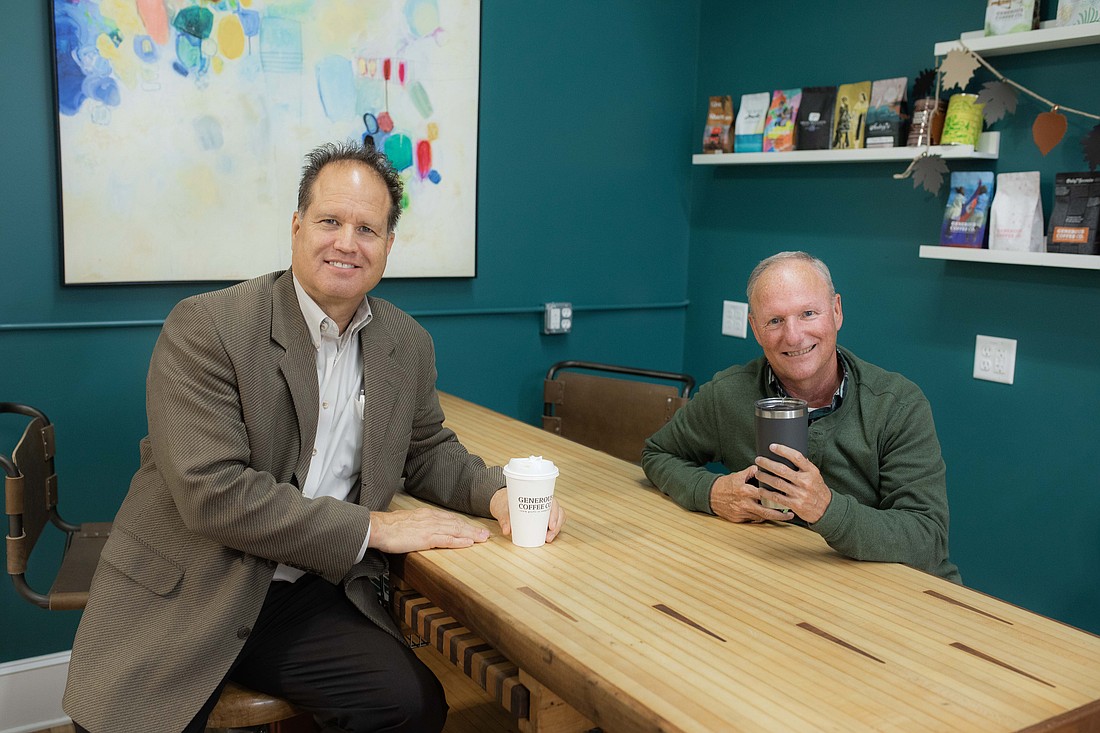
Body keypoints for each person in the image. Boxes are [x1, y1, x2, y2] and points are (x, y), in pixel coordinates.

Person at [63, 141, 567, 733]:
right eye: (330, 221)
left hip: (303, 588)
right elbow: (214, 494)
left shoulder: (407, 346)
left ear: (388, 247)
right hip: (192, 583)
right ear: (297, 227)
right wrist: (376, 527)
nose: (347, 242)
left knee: (408, 704)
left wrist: (497, 493)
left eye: (368, 229)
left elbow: (427, 452)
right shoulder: (206, 327)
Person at [641, 251, 959, 582]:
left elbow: (927, 537)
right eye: (775, 320)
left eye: (808, 313)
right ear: (755, 328)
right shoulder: (728, 393)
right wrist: (711, 492)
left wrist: (825, 508)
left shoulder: (897, 404)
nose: (793, 336)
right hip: (792, 586)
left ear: (836, 312)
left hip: (906, 596)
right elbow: (657, 453)